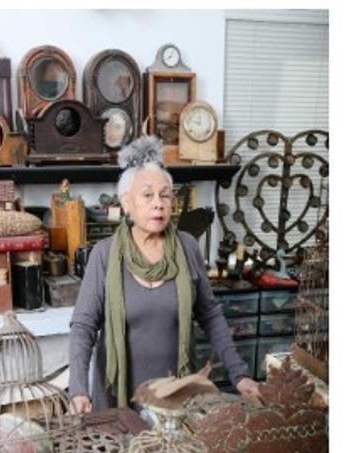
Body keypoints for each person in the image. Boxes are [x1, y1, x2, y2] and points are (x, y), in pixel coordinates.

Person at [69, 136, 260, 414]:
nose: (158, 204)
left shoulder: (187, 247)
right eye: (147, 195)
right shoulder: (104, 254)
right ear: (126, 203)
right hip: (118, 397)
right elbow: (83, 326)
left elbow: (210, 314)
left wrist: (239, 374)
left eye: (165, 195)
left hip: (178, 395)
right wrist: (78, 389)